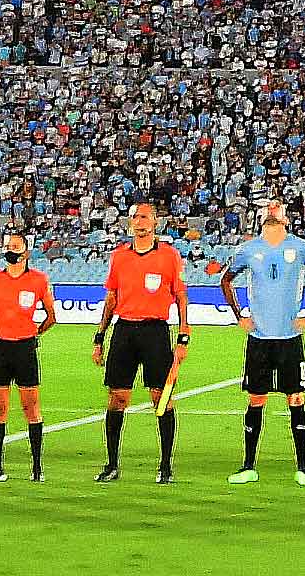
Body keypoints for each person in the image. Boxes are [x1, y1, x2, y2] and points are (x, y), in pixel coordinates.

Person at [219, 200, 305, 486]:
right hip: (259, 339)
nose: (272, 210)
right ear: (260, 217)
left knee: (295, 398)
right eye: (268, 208)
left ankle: (303, 468)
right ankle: (248, 466)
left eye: (277, 208)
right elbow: (226, 280)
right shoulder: (248, 250)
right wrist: (238, 315)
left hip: (289, 339)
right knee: (256, 399)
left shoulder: (302, 248)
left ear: (286, 218)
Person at [92, 201, 190, 484]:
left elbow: (180, 296)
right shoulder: (120, 256)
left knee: (161, 398)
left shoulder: (169, 256)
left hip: (155, 331)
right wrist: (100, 336)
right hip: (124, 331)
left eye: (145, 216)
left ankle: (165, 466)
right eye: (135, 217)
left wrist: (183, 335)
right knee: (117, 398)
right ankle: (112, 464)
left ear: (155, 222)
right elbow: (111, 299)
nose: (139, 221)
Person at [0, 232, 57, 482]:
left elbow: (51, 316)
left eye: (15, 246)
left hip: (25, 349)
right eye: (7, 246)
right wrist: (1, 330)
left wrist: (33, 333)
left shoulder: (38, 280)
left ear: (26, 251)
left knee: (31, 408)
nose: (10, 249)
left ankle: (36, 467)